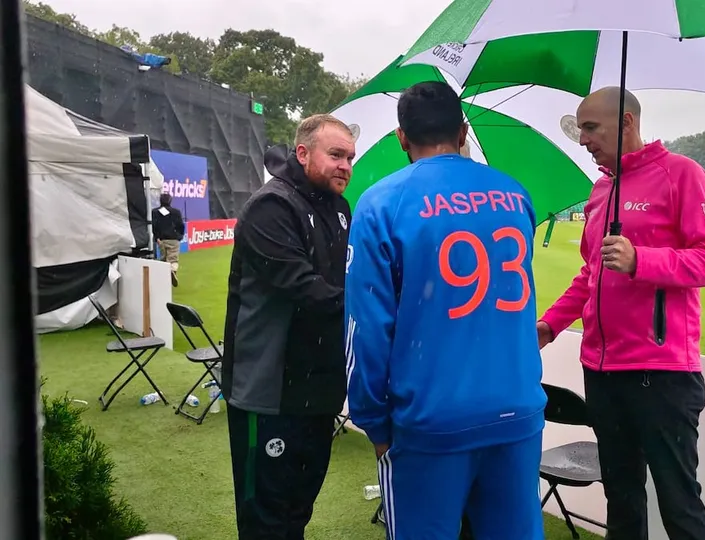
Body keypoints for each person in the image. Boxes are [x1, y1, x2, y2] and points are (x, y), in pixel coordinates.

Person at [346, 81, 547, 540]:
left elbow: (366, 330)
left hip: (430, 419)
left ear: (401, 137)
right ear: (463, 131)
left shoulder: (381, 201)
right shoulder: (514, 194)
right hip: (516, 410)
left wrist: (372, 420)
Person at [536, 87, 705, 540]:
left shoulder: (681, 174)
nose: (583, 139)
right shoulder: (602, 187)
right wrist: (550, 325)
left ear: (626, 122)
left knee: (678, 500)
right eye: (581, 129)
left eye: (591, 127)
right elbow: (590, 273)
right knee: (621, 496)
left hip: (660, 373)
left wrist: (641, 260)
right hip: (602, 369)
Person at [220, 113, 355, 539]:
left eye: (350, 157)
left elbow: (343, 282)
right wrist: (377, 308)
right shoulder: (271, 206)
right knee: (266, 517)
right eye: (335, 155)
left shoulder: (340, 208)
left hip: (319, 390)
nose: (345, 166)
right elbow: (307, 290)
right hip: (268, 392)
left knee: (298, 508)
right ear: (302, 152)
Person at [152, 193, 185, 286]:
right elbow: (180, 225)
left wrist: (156, 238)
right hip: (173, 239)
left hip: (161, 239)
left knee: (163, 258)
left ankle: (163, 279)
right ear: (170, 200)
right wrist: (180, 236)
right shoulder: (176, 212)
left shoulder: (155, 212)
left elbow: (154, 226)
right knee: (173, 259)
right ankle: (172, 270)